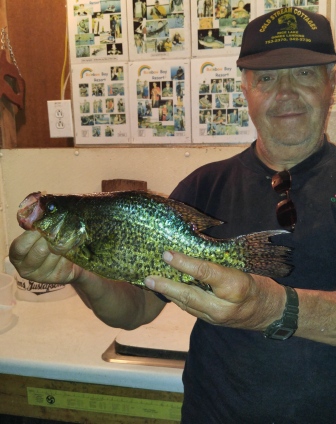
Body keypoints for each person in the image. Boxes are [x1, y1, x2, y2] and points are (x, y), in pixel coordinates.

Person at [9, 7, 336, 423]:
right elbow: (136, 309)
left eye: (304, 73)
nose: (284, 91)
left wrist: (274, 308)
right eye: (266, 77)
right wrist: (82, 272)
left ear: (330, 81)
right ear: (246, 89)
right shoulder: (204, 186)